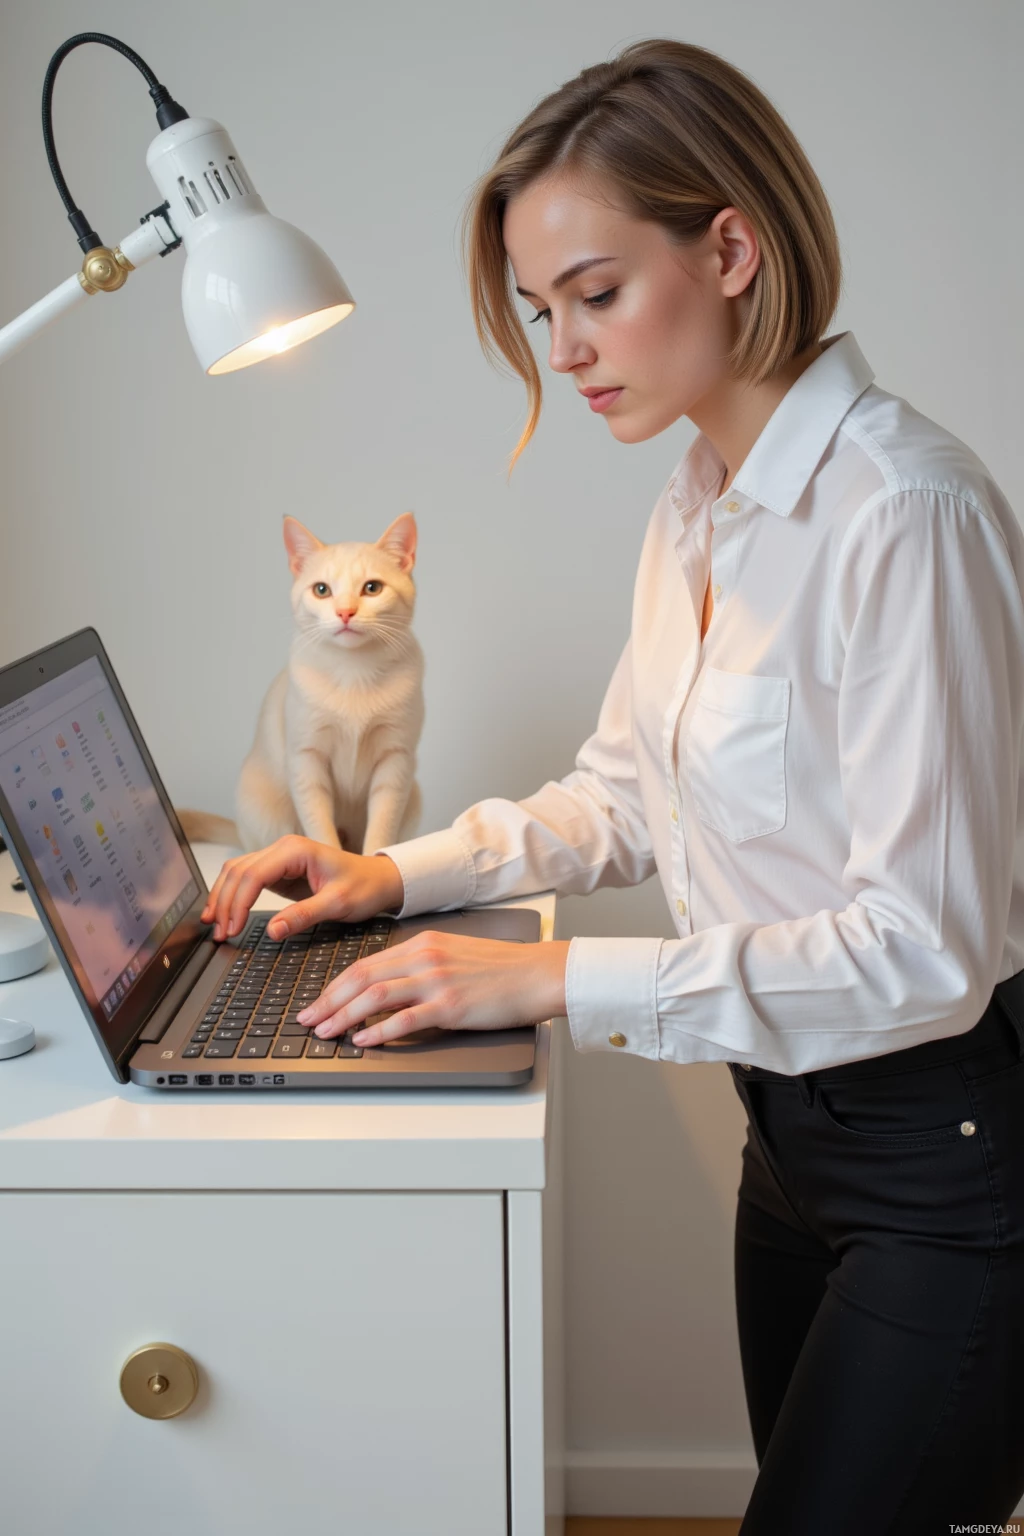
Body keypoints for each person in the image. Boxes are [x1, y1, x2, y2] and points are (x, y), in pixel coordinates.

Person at [201, 38, 1024, 1536]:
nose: (564, 348)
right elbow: (624, 796)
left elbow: (928, 951)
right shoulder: (698, 502)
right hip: (786, 1138)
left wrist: (553, 982)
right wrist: (396, 877)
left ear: (729, 248)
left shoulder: (907, 513)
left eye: (594, 294)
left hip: (944, 1161)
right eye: (539, 310)